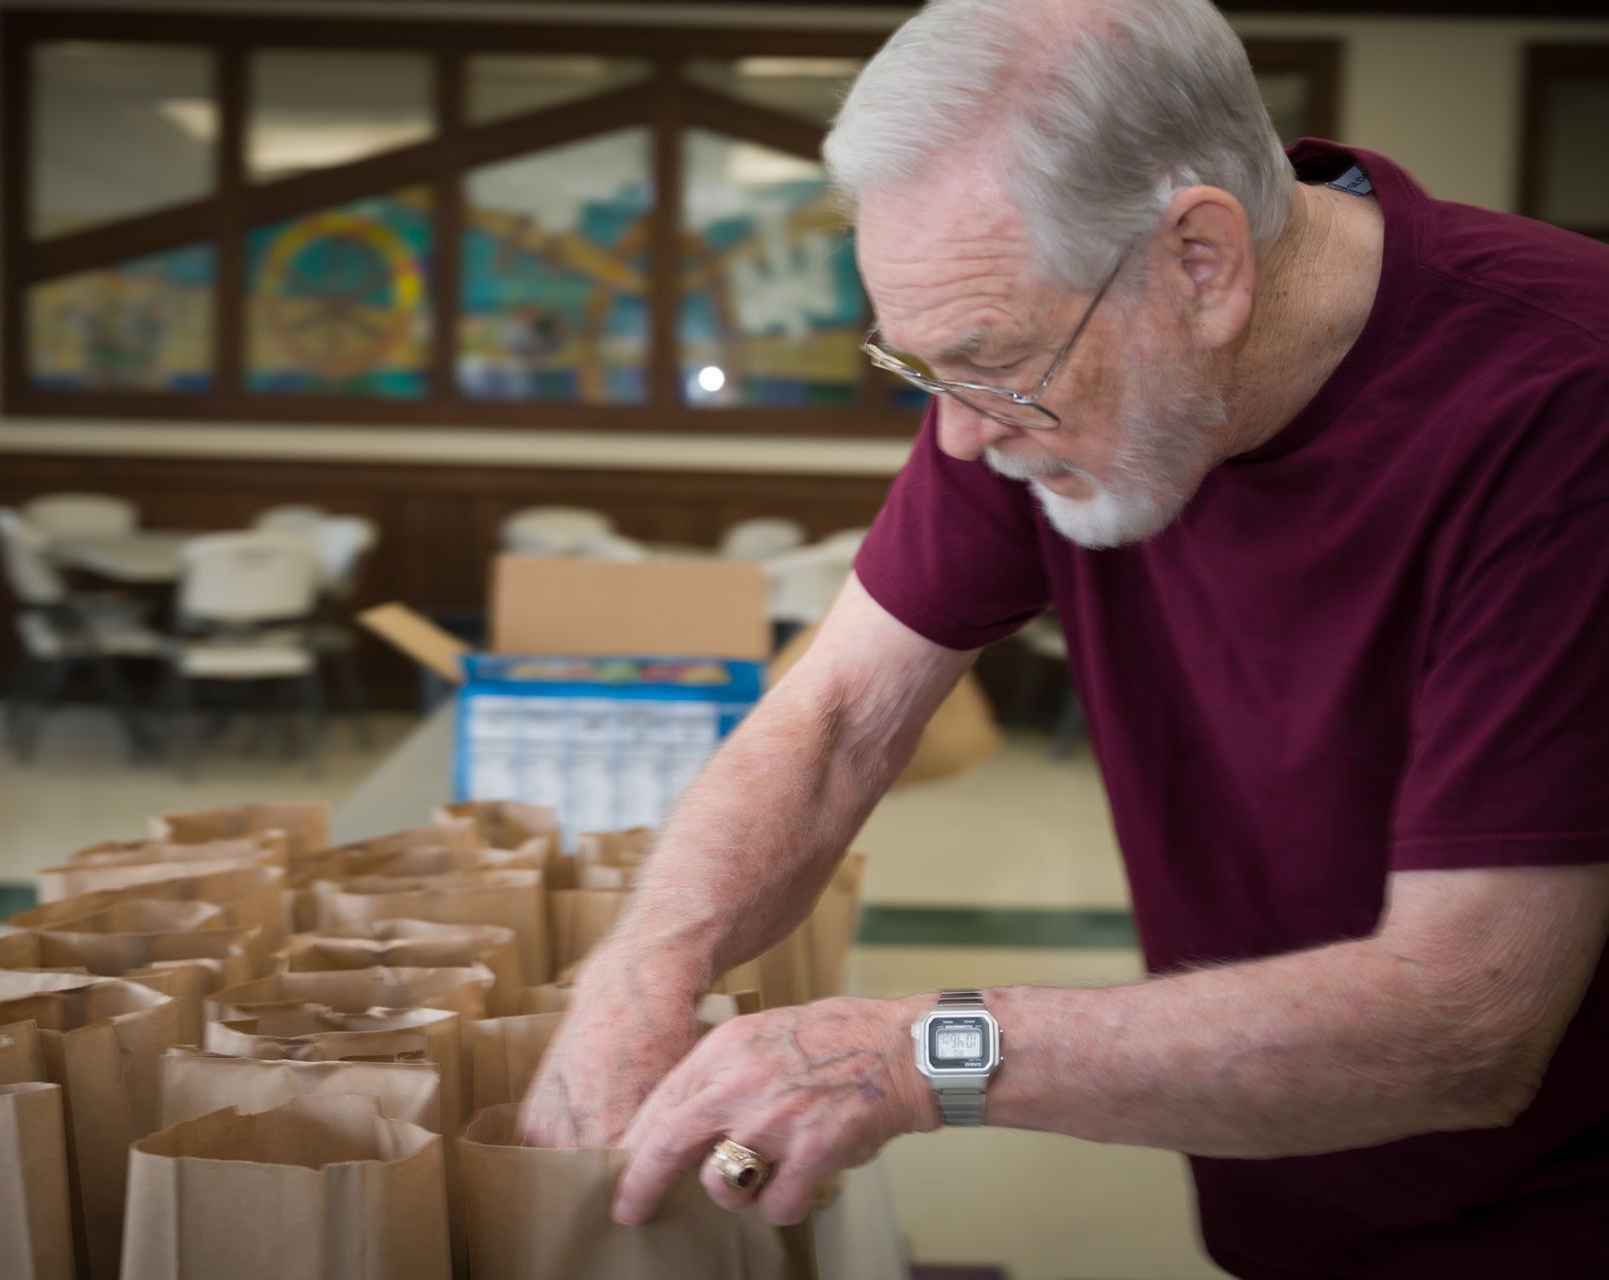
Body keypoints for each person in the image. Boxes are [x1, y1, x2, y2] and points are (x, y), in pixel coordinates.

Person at [517, 0, 1609, 1274]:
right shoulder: (1039, 359)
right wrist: (645, 961)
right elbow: (835, 719)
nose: (964, 439)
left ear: (1201, 261)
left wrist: (912, 1055)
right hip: (1292, 1188)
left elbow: (1465, 1021)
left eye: (985, 363)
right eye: (924, 371)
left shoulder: (1566, 401)